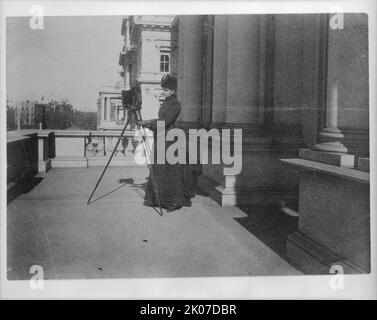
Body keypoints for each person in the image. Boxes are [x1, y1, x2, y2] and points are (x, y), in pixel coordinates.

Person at [137, 74, 195, 212]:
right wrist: (148, 123)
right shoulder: (167, 102)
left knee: (170, 172)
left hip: (170, 141)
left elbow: (165, 122)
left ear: (173, 90)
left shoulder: (175, 104)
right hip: (162, 138)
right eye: (164, 88)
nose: (164, 91)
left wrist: (148, 123)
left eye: (167, 89)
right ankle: (160, 200)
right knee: (161, 170)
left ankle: (174, 202)